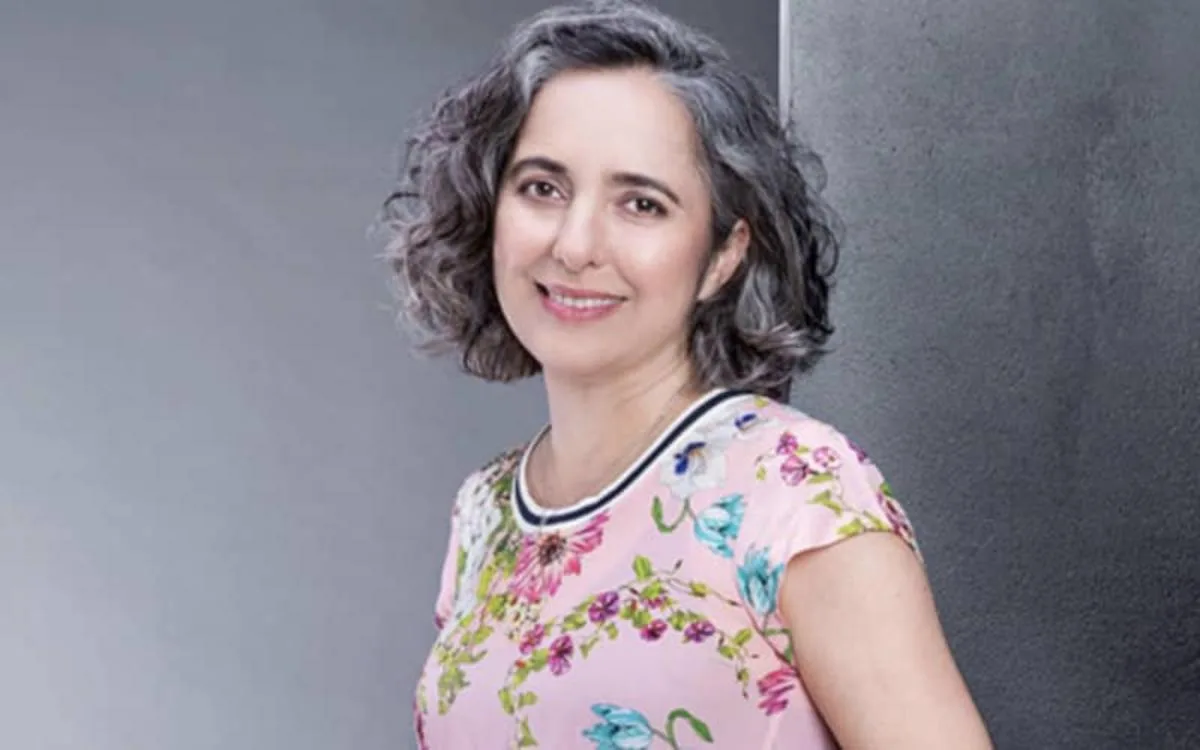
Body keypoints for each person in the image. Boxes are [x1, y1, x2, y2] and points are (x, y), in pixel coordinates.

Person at [382, 1, 992, 747]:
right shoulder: (484, 513)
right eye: (542, 188)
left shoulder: (796, 490)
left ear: (724, 255)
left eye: (641, 204)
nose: (574, 245)